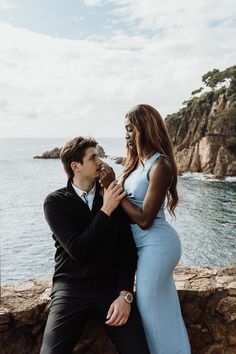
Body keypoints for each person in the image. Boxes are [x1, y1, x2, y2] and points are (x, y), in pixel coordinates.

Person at [40, 136, 149, 354]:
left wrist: (125, 295)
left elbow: (127, 250)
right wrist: (106, 210)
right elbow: (79, 251)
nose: (100, 161)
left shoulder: (112, 195)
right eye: (93, 157)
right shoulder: (55, 202)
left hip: (110, 289)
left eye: (98, 155)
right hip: (70, 288)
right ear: (75, 167)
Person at [100, 104, 191, 354]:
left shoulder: (160, 165)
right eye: (125, 129)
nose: (126, 134)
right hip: (140, 245)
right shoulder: (135, 164)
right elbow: (120, 206)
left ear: (145, 128)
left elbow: (144, 219)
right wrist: (105, 189)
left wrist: (112, 186)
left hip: (157, 244)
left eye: (130, 128)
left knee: (149, 313)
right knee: (166, 313)